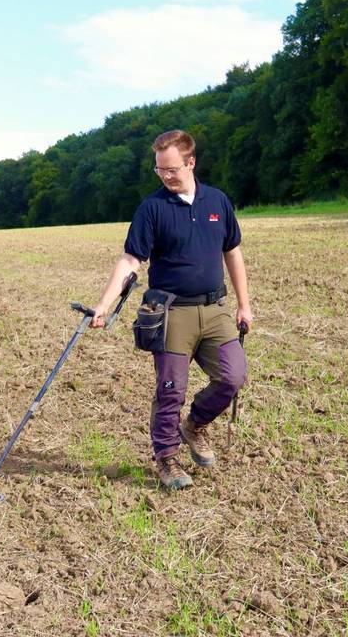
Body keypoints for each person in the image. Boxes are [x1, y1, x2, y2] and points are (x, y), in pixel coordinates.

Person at [91, 129, 253, 491]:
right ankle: (166, 458)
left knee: (233, 376)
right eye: (159, 170)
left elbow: (233, 252)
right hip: (172, 312)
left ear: (191, 163)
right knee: (170, 390)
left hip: (214, 309)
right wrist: (103, 304)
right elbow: (131, 259)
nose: (166, 176)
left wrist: (244, 304)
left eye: (172, 169)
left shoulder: (217, 202)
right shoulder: (152, 208)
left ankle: (195, 425)